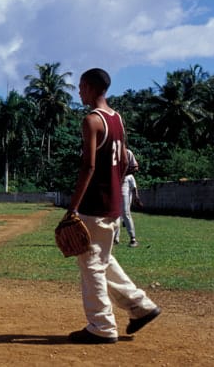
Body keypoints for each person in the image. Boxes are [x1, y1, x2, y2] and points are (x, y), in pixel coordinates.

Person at [66, 68, 161, 344]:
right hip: (112, 205)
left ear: (94, 88)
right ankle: (140, 307)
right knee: (102, 259)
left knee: (92, 265)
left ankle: (101, 326)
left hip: (94, 205)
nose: (79, 91)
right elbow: (126, 163)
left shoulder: (92, 121)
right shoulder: (117, 118)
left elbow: (89, 166)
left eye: (82, 86)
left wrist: (73, 207)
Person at [114, 149, 140, 247]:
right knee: (115, 213)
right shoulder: (111, 151)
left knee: (125, 212)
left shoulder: (127, 152)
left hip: (124, 183)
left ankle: (133, 238)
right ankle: (115, 239)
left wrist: (123, 172)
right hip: (113, 183)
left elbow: (135, 167)